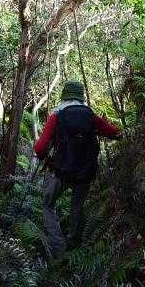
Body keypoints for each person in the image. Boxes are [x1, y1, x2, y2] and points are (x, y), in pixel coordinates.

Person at [34, 80, 122, 259]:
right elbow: (116, 133)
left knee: (47, 205)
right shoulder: (90, 115)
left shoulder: (56, 115)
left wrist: (45, 156)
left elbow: (40, 148)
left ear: (64, 95)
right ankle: (74, 246)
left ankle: (58, 248)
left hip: (60, 171)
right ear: (81, 96)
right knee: (77, 206)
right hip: (85, 172)